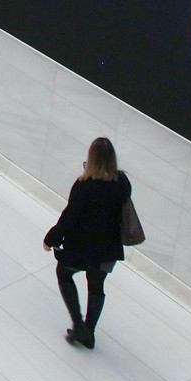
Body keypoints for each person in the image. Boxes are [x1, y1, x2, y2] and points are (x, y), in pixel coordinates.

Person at [44, 137, 135, 349]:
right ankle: (89, 332)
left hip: (81, 249)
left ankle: (78, 325)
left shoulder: (84, 185)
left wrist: (52, 238)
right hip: (107, 250)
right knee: (96, 285)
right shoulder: (122, 183)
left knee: (64, 273)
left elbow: (70, 216)